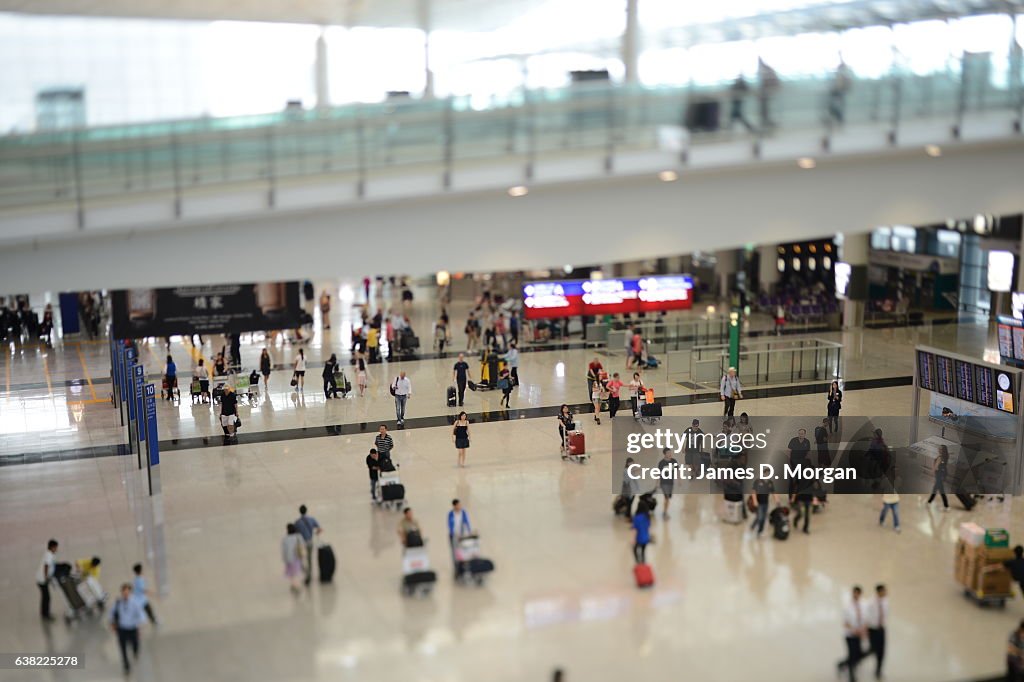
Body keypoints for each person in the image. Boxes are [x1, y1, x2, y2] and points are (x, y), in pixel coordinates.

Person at [109, 582, 148, 674]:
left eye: (127, 593)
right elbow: (112, 614)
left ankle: (135, 652)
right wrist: (112, 624)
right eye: (124, 593)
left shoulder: (135, 603)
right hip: (122, 629)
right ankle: (126, 666)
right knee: (123, 649)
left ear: (130, 593)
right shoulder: (118, 603)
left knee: (135, 644)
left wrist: (139, 625)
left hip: (132, 628)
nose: (125, 595)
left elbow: (142, 616)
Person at [837, 585, 867, 682]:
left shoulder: (863, 605)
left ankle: (841, 664)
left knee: (857, 654)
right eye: (855, 593)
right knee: (852, 655)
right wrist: (854, 630)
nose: (856, 595)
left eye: (858, 593)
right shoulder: (847, 606)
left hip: (859, 635)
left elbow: (864, 620)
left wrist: (863, 630)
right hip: (849, 635)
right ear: (852, 593)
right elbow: (845, 623)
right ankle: (851, 676)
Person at [788, 428, 813, 533]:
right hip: (794, 463)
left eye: (803, 433)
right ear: (798, 433)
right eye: (800, 433)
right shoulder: (793, 440)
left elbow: (808, 453)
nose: (801, 435)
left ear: (805, 434)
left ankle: (805, 528)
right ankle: (792, 498)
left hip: (802, 463)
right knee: (793, 481)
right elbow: (789, 451)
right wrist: (790, 462)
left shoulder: (807, 442)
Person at [294, 505, 322, 587]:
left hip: (302, 543)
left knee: (300, 560)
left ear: (300, 511)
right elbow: (319, 529)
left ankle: (306, 573)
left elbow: (295, 533)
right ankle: (309, 575)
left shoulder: (297, 522)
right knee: (309, 559)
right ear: (306, 511)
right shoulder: (311, 519)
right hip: (310, 542)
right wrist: (316, 534)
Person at [866, 584, 888, 679]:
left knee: (881, 652)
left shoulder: (885, 601)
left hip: (881, 629)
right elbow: (866, 616)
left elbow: (886, 613)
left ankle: (878, 671)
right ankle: (852, 661)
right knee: (872, 650)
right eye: (884, 591)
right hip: (872, 629)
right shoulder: (871, 602)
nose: (886, 593)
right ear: (879, 591)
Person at [447, 499, 472, 573]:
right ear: (454, 506)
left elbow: (467, 522)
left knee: (463, 550)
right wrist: (453, 534)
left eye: (460, 505)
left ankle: (463, 564)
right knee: (455, 551)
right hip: (454, 535)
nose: (459, 506)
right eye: (458, 505)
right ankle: (456, 566)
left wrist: (469, 531)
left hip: (462, 535)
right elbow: (450, 525)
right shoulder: (451, 514)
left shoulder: (463, 512)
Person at [36, 539, 58, 621]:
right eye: (56, 547)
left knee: (45, 597)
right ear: (52, 547)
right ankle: (46, 614)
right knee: (47, 597)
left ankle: (43, 613)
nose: (56, 549)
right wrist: (46, 577)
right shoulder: (49, 555)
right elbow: (46, 566)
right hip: (42, 580)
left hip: (40, 579)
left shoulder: (48, 553)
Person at [281, 523, 304, 594]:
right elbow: (302, 545)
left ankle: (295, 585)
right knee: (296, 572)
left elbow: (284, 550)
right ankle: (295, 585)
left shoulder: (285, 539)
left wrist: (284, 559)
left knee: (292, 574)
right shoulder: (298, 537)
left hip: (289, 558)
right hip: (297, 557)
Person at [657, 448, 678, 520]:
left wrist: (679, 479)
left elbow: (677, 471)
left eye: (670, 452)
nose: (670, 454)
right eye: (668, 453)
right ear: (665, 454)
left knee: (668, 498)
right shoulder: (661, 463)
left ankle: (665, 511)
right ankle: (665, 512)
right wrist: (657, 483)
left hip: (670, 483)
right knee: (667, 498)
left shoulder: (674, 461)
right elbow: (659, 474)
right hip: (664, 483)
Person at [927, 444, 950, 510]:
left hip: (939, 475)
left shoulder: (940, 457)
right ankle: (929, 502)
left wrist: (933, 471)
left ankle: (946, 506)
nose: (939, 450)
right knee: (936, 489)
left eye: (940, 449)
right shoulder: (946, 456)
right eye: (939, 448)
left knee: (940, 490)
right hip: (943, 475)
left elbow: (935, 467)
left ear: (943, 451)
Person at [631, 496, 651, 564]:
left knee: (634, 549)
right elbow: (648, 528)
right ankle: (643, 561)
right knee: (643, 551)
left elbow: (635, 530)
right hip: (646, 538)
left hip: (639, 538)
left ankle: (637, 561)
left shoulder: (636, 518)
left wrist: (633, 540)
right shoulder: (647, 517)